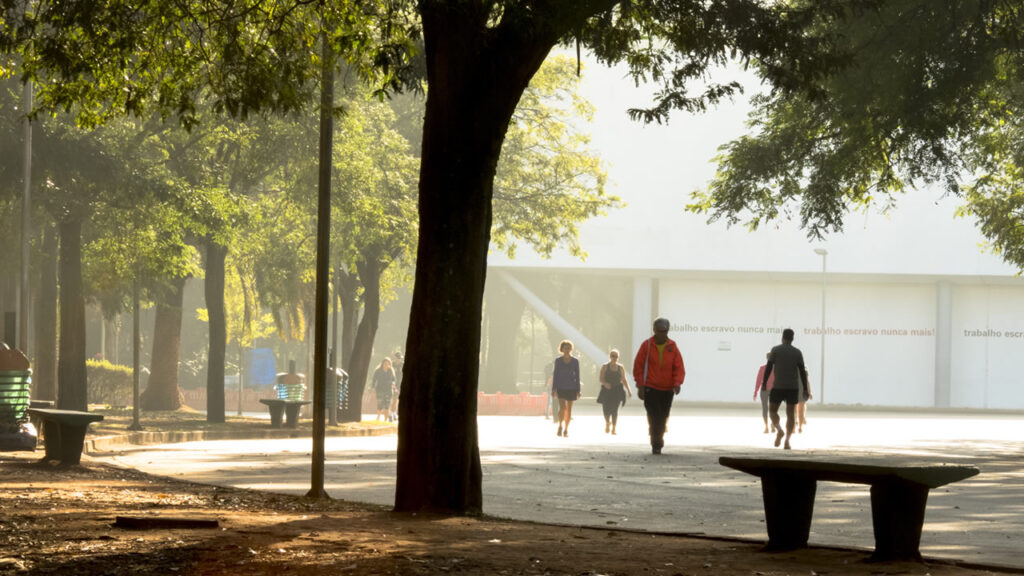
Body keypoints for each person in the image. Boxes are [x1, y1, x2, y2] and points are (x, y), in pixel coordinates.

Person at [632, 318, 685, 454]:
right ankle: (656, 442)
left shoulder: (672, 347)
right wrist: (640, 385)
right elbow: (638, 366)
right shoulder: (647, 346)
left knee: (663, 415)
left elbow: (678, 367)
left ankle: (659, 435)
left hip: (667, 389)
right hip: (651, 387)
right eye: (660, 331)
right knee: (653, 414)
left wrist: (677, 383)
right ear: (654, 330)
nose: (662, 334)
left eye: (665, 331)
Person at [761, 328, 809, 450]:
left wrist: (764, 382)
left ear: (782, 337)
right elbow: (802, 371)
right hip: (793, 387)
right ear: (792, 339)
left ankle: (779, 429)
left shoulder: (775, 350)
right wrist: (805, 389)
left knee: (772, 411)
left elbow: (768, 367)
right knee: (790, 415)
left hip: (778, 386)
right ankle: (787, 441)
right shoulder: (797, 352)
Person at [597, 349, 632, 434]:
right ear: (610, 356)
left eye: (616, 356)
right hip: (607, 391)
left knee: (614, 410)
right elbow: (601, 378)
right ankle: (607, 423)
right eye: (613, 356)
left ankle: (614, 427)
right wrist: (605, 384)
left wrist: (628, 390)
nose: (614, 358)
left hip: (617, 390)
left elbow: (623, 379)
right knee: (605, 409)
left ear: (618, 357)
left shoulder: (620, 367)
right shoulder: (605, 366)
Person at [551, 340, 581, 437]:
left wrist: (578, 390)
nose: (567, 350)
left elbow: (578, 376)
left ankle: (566, 429)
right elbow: (555, 375)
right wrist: (553, 389)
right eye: (565, 348)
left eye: (568, 348)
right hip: (561, 386)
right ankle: (560, 425)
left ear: (571, 349)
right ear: (562, 349)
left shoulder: (575, 361)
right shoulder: (558, 361)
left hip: (572, 387)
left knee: (569, 409)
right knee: (562, 408)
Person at [754, 353, 776, 434]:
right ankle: (771, 425)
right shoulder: (775, 368)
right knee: (772, 408)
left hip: (766, 390)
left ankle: (767, 426)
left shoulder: (763, 368)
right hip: (772, 390)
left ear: (766, 358)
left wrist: (755, 392)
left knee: (765, 408)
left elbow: (758, 380)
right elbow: (759, 380)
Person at [372, 358, 396, 422]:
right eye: (385, 364)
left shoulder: (391, 371)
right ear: (382, 363)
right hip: (380, 389)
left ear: (390, 364)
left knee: (387, 405)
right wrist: (373, 388)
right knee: (380, 404)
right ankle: (378, 418)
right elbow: (374, 380)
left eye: (388, 364)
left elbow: (394, 379)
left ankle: (385, 420)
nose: (386, 365)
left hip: (388, 390)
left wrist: (393, 384)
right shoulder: (378, 371)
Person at [389, 352, 404, 422]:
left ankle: (393, 413)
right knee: (392, 399)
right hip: (392, 383)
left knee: (396, 399)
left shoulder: (403, 364)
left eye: (399, 358)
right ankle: (391, 414)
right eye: (397, 358)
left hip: (400, 384)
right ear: (394, 358)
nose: (398, 360)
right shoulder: (391, 364)